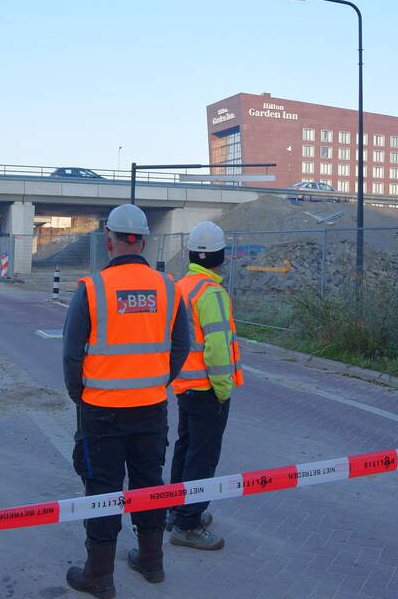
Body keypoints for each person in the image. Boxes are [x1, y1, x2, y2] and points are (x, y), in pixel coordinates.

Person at [62, 203, 190, 598]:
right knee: (149, 483)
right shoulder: (169, 288)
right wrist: (156, 382)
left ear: (110, 240)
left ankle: (99, 576)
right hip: (151, 408)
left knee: (102, 489)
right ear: (145, 242)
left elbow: (71, 355)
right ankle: (152, 562)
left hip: (101, 411)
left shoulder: (92, 289)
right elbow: (181, 346)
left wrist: (80, 398)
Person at [166, 220, 243, 551]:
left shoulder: (180, 287)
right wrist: (223, 390)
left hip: (185, 387)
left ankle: (178, 508)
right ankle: (189, 524)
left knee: (185, 448)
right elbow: (216, 348)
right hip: (208, 390)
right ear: (221, 256)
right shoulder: (211, 293)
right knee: (203, 456)